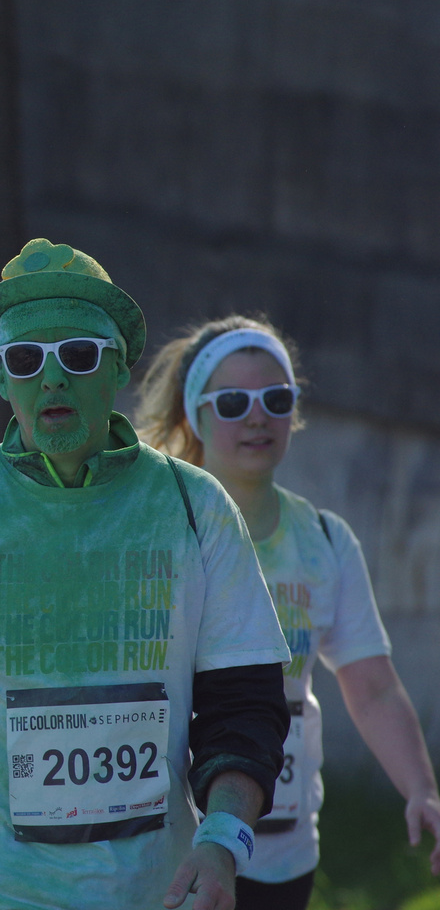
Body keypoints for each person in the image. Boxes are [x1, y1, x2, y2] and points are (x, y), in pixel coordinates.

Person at [0, 239, 291, 910]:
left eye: (78, 355)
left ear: (117, 370)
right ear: (1, 378)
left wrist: (222, 840)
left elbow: (244, 707)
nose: (52, 379)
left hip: (147, 892)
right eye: (25, 359)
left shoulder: (195, 509)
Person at [137, 315, 440, 909]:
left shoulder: (325, 541)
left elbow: (372, 689)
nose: (257, 416)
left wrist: (421, 788)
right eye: (232, 402)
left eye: (277, 399)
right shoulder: (157, 533)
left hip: (282, 857)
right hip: (174, 849)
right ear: (190, 416)